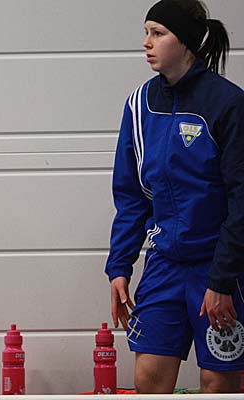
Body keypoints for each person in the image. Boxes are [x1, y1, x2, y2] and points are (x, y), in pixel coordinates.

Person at [105, 0, 244, 393]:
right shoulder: (139, 105)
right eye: (146, 32)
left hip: (219, 267)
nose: (146, 42)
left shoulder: (228, 103)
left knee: (218, 382)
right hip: (164, 264)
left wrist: (222, 279)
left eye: (158, 33)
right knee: (148, 376)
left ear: (184, 42)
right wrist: (119, 266)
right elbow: (131, 196)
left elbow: (241, 199)